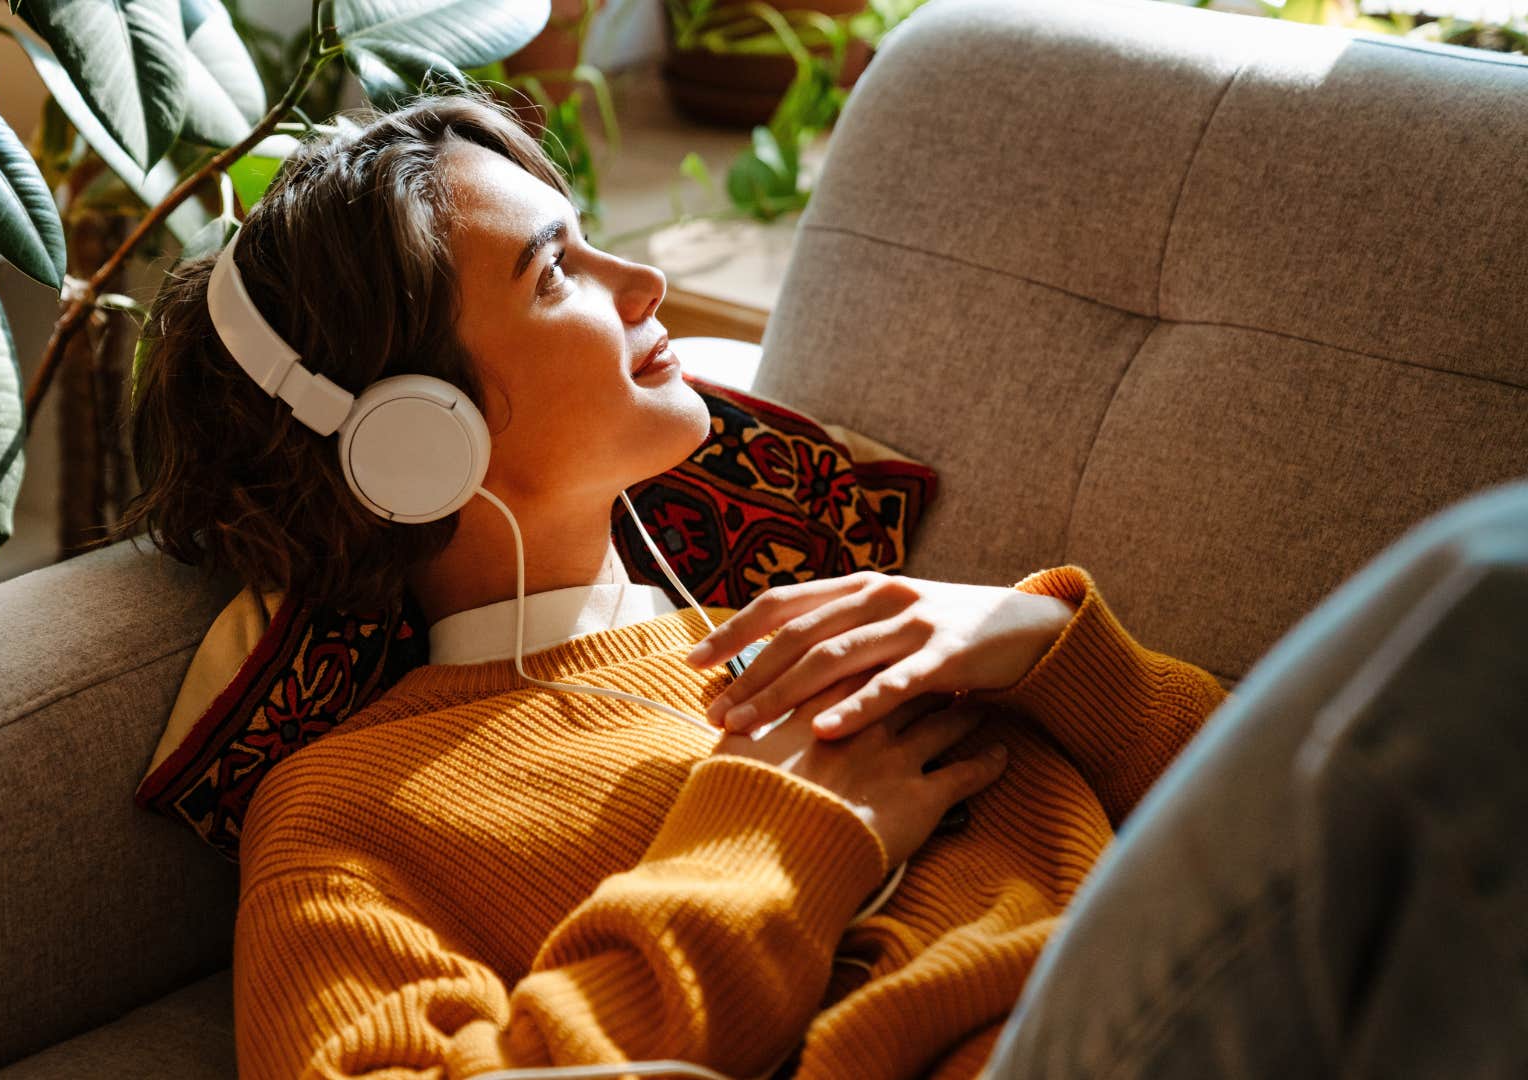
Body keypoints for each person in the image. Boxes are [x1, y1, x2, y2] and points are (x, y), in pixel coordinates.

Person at [114, 90, 1522, 1078]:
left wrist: (1040, 641)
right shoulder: (349, 812)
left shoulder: (822, 625)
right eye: (558, 273)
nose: (643, 279)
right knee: (1486, 590)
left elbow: (1306, 819)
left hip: (1243, 1002)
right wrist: (781, 840)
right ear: (414, 440)